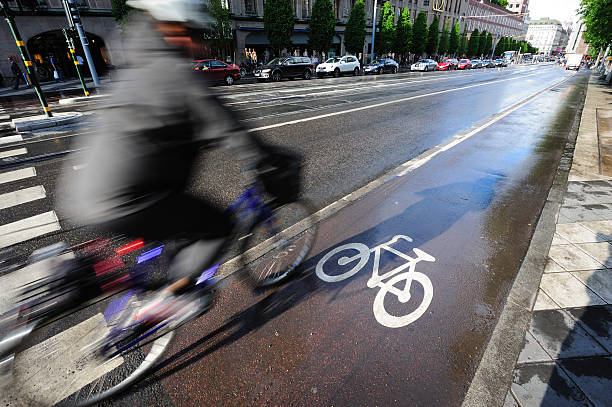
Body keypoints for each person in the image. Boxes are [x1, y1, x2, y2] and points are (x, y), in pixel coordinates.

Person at [59, 0, 281, 323]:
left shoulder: (132, 66)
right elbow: (231, 128)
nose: (197, 42)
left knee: (176, 222)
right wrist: (267, 158)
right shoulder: (178, 76)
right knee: (219, 225)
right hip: (128, 198)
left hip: (84, 191)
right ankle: (172, 297)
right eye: (193, 32)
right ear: (173, 29)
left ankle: (135, 282)